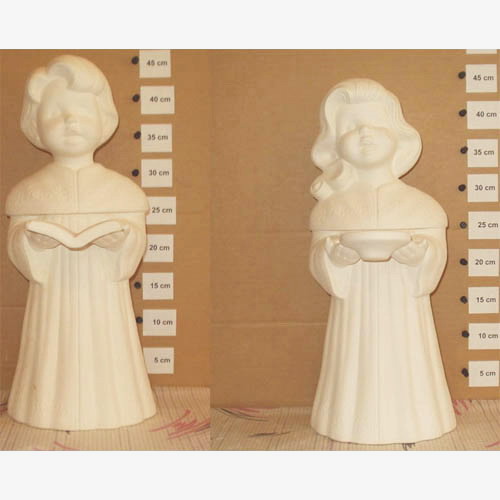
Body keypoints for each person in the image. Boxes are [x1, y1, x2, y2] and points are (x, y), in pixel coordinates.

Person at [5, 55, 156, 430]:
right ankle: (43, 405)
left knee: (107, 354)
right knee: (50, 353)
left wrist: (122, 240)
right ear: (35, 124)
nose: (70, 120)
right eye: (56, 112)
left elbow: (133, 249)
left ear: (104, 118)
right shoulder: (27, 193)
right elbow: (19, 250)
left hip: (103, 299)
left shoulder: (123, 192)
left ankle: (118, 403)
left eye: (82, 110)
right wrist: (33, 243)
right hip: (52, 302)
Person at [309, 78, 456, 444]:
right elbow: (319, 257)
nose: (365, 133)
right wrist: (334, 257)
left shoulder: (421, 206)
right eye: (352, 127)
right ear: (334, 143)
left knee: (407, 365)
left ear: (398, 135)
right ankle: (346, 417)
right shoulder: (331, 208)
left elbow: (434, 257)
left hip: (403, 311)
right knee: (353, 368)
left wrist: (421, 255)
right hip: (354, 313)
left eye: (375, 124)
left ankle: (418, 416)